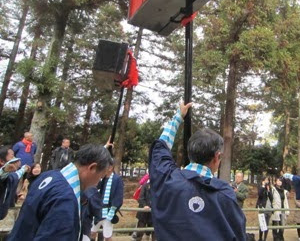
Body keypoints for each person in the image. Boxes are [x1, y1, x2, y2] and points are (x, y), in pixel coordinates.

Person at [148, 102, 246, 241]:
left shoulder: (167, 180)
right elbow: (238, 235)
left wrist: (178, 117)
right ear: (217, 156)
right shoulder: (224, 193)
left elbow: (160, 149)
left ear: (190, 153)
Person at [8, 144, 112, 241]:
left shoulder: (48, 176)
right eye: (100, 177)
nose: (97, 183)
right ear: (92, 168)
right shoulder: (65, 199)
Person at [91, 160, 124, 241]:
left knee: (107, 236)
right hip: (98, 210)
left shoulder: (117, 179)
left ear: (110, 168)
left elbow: (118, 196)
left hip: (109, 211)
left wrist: (112, 210)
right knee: (91, 232)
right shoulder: (101, 178)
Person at [256, 176, 273, 241]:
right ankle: (260, 238)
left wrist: (268, 190)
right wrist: (263, 186)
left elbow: (271, 198)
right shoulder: (260, 187)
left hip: (268, 207)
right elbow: (259, 195)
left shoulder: (269, 188)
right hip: (262, 206)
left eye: (268, 180)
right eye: (265, 180)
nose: (267, 181)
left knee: (267, 223)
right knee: (262, 223)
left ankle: (265, 238)